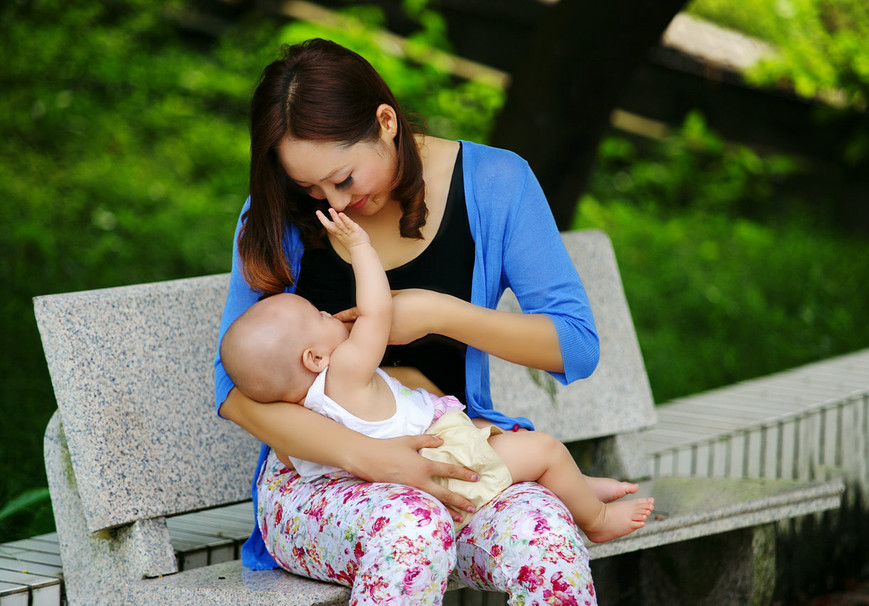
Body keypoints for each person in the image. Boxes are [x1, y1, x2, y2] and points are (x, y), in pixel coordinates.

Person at [214, 37, 625, 604]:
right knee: (411, 528)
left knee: (547, 539)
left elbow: (575, 345)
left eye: (344, 179)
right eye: (308, 187)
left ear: (386, 122)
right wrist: (371, 458)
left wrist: (441, 313)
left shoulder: (496, 184)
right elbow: (232, 389)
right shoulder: (277, 213)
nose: (331, 201)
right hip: (323, 485)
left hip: (453, 462)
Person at [220, 207, 654, 540]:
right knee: (545, 450)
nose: (329, 312)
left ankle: (574, 487)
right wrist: (360, 250)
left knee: (488, 429)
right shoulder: (346, 371)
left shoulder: (301, 425)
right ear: (314, 358)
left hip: (398, 486)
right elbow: (376, 312)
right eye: (319, 314)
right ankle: (594, 519)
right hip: (444, 468)